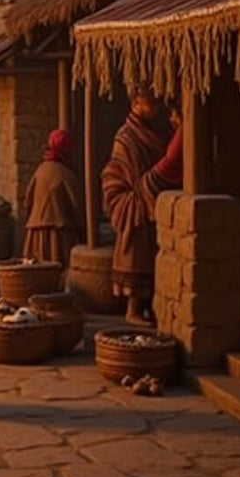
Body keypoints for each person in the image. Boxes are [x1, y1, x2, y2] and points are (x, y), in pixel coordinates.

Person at [101, 91, 181, 325]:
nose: (154, 109)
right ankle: (133, 309)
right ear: (135, 104)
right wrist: (144, 186)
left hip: (148, 198)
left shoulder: (152, 132)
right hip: (132, 201)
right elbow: (126, 168)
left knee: (149, 256)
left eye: (155, 104)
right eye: (148, 104)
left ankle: (147, 306)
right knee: (135, 254)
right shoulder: (126, 137)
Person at [22, 129, 85, 266]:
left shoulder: (40, 170)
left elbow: (27, 201)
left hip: (36, 234)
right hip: (58, 235)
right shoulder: (67, 174)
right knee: (58, 270)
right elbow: (78, 208)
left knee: (37, 269)